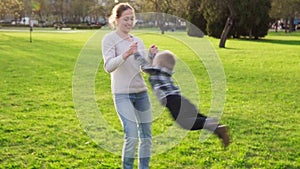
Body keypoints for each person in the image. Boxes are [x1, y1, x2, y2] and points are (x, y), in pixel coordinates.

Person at [101, 2, 158, 169]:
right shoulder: (109, 39)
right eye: (126, 19)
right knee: (131, 135)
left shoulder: (138, 41)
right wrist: (126, 54)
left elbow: (144, 68)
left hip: (141, 93)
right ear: (116, 19)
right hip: (122, 94)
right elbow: (108, 66)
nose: (129, 22)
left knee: (146, 136)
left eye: (132, 19)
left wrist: (151, 56)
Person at [134, 50, 231, 148]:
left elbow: (144, 66)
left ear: (157, 64)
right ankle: (217, 127)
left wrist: (136, 53)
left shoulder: (155, 71)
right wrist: (153, 55)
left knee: (185, 122)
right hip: (181, 99)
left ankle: (211, 124)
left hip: (172, 101)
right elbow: (158, 63)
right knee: (196, 116)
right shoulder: (165, 72)